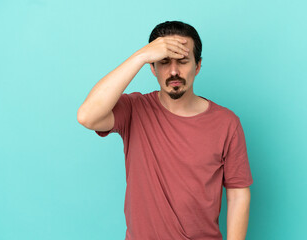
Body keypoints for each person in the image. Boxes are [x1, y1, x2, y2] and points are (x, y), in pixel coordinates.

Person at [77, 20, 253, 240]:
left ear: (197, 66)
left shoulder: (227, 123)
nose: (173, 71)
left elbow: (238, 193)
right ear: (152, 68)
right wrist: (140, 56)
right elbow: (87, 116)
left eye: (182, 61)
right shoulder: (134, 110)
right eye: (163, 62)